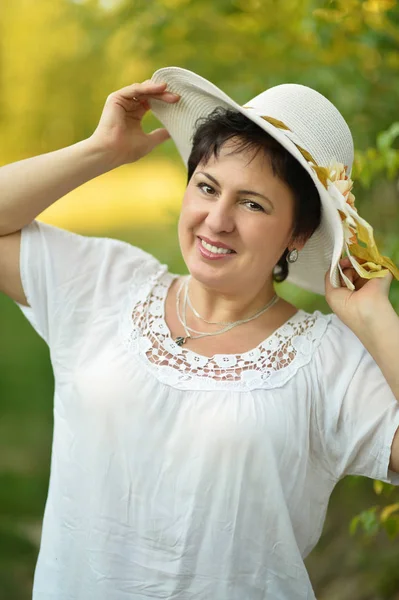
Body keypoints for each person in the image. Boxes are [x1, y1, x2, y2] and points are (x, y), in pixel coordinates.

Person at [0, 66, 399, 600]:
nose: (217, 220)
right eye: (207, 187)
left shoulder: (328, 361)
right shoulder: (103, 283)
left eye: (252, 204)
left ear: (298, 233)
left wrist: (374, 316)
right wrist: (101, 151)